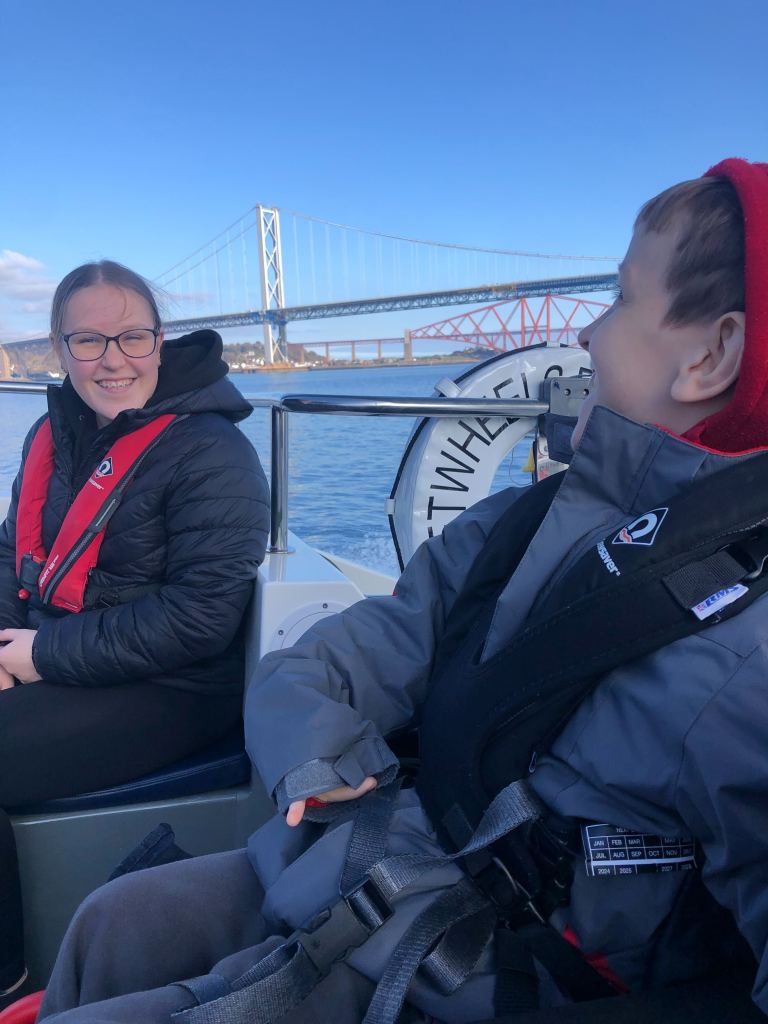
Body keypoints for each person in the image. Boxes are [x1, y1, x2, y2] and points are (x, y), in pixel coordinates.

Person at [34, 158, 768, 1024]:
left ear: (711, 354)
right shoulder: (516, 525)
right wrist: (326, 756)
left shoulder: (745, 662)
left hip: (481, 975)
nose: (590, 336)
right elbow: (325, 660)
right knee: (113, 922)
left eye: (617, 298)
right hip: (386, 867)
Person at [0, 261, 270, 1007]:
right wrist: (5, 644)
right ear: (59, 348)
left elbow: (200, 618)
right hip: (64, 652)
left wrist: (36, 657)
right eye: (88, 340)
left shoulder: (212, 452)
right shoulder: (54, 434)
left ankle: (9, 984)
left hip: (175, 684)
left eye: (132, 337)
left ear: (159, 341)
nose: (112, 359)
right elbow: (10, 551)